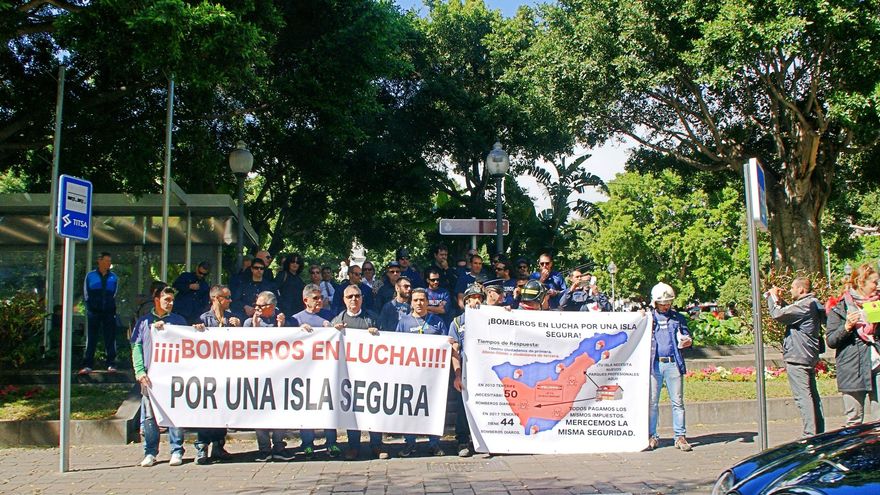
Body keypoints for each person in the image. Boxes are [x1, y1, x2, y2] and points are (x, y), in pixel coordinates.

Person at [131, 282, 187, 467]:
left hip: (173, 375)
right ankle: (150, 452)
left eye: (172, 300)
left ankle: (176, 450)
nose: (170, 303)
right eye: (166, 299)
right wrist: (139, 371)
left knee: (175, 413)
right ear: (157, 300)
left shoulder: (178, 321)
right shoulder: (144, 322)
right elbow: (136, 346)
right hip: (150, 375)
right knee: (148, 415)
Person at [330, 285, 388, 460]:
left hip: (371, 374)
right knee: (352, 411)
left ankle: (377, 445)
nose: (354, 299)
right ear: (344, 299)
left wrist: (377, 335)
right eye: (350, 297)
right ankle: (353, 447)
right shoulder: (336, 321)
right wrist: (334, 333)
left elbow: (387, 342)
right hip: (347, 374)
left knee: (374, 409)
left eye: (357, 296)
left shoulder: (372, 318)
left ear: (362, 298)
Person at [766, 277, 826, 437]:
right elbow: (791, 313)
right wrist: (780, 300)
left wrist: (772, 298)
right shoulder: (811, 303)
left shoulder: (805, 305)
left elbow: (778, 315)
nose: (790, 290)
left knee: (803, 396)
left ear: (801, 290)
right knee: (812, 395)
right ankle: (818, 432)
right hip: (808, 355)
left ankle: (810, 435)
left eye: (792, 287)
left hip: (798, 357)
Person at [191, 284, 241, 464]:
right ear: (216, 299)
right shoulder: (204, 319)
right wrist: (196, 331)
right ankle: (202, 447)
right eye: (227, 297)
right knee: (206, 410)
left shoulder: (232, 318)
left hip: (226, 373)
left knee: (222, 410)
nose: (230, 300)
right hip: (207, 373)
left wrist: (238, 328)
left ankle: (219, 446)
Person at [290, 283, 341, 459]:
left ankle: (332, 442)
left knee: (328, 405)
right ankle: (307, 443)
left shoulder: (329, 316)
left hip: (326, 368)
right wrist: (298, 331)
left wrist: (335, 329)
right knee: (307, 407)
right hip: (305, 371)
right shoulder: (296, 319)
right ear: (306, 300)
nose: (320, 301)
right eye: (315, 298)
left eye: (321, 298)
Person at [395, 288, 448, 457]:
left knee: (434, 409)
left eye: (422, 300)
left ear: (427, 302)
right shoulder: (404, 322)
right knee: (409, 410)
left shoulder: (437, 322)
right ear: (411, 302)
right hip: (410, 375)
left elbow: (446, 345)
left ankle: (434, 443)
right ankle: (410, 443)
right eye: (415, 300)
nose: (419, 303)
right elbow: (395, 346)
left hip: (433, 376)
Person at [827, 263, 880, 426]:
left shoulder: (878, 304)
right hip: (852, 368)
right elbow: (831, 341)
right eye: (874, 282)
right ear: (861, 283)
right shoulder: (840, 307)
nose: (878, 286)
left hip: (877, 365)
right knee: (854, 420)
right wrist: (847, 327)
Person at [243, 291, 292, 461]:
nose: (256, 309)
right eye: (255, 305)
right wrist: (254, 328)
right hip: (258, 373)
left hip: (279, 374)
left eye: (260, 306)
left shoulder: (284, 320)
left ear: (271, 306)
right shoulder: (249, 322)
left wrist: (281, 327)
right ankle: (264, 448)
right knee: (259, 410)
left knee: (282, 408)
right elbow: (245, 346)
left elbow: (289, 343)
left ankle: (279, 445)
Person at [648, 282, 693, 452]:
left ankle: (680, 436)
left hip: (673, 362)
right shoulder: (649, 318)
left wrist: (687, 340)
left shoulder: (677, 318)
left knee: (677, 401)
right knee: (652, 402)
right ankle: (652, 435)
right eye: (662, 303)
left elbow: (686, 334)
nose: (666, 306)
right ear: (655, 303)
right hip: (655, 363)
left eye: (668, 303)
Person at [448, 283, 484, 457]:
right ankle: (463, 440)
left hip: (486, 372)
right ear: (466, 301)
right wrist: (456, 375)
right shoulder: (457, 322)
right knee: (463, 408)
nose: (476, 301)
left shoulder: (490, 318)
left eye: (479, 298)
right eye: (472, 298)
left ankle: (487, 439)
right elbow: (454, 350)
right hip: (466, 372)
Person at [80, 251, 120, 374]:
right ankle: (88, 364)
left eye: (110, 261)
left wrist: (111, 307)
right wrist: (90, 308)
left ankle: (111, 363)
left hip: (108, 312)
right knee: (92, 338)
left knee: (110, 337)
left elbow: (115, 294)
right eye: (106, 260)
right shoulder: (90, 276)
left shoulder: (114, 277)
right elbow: (86, 293)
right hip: (94, 312)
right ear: (99, 260)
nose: (109, 263)